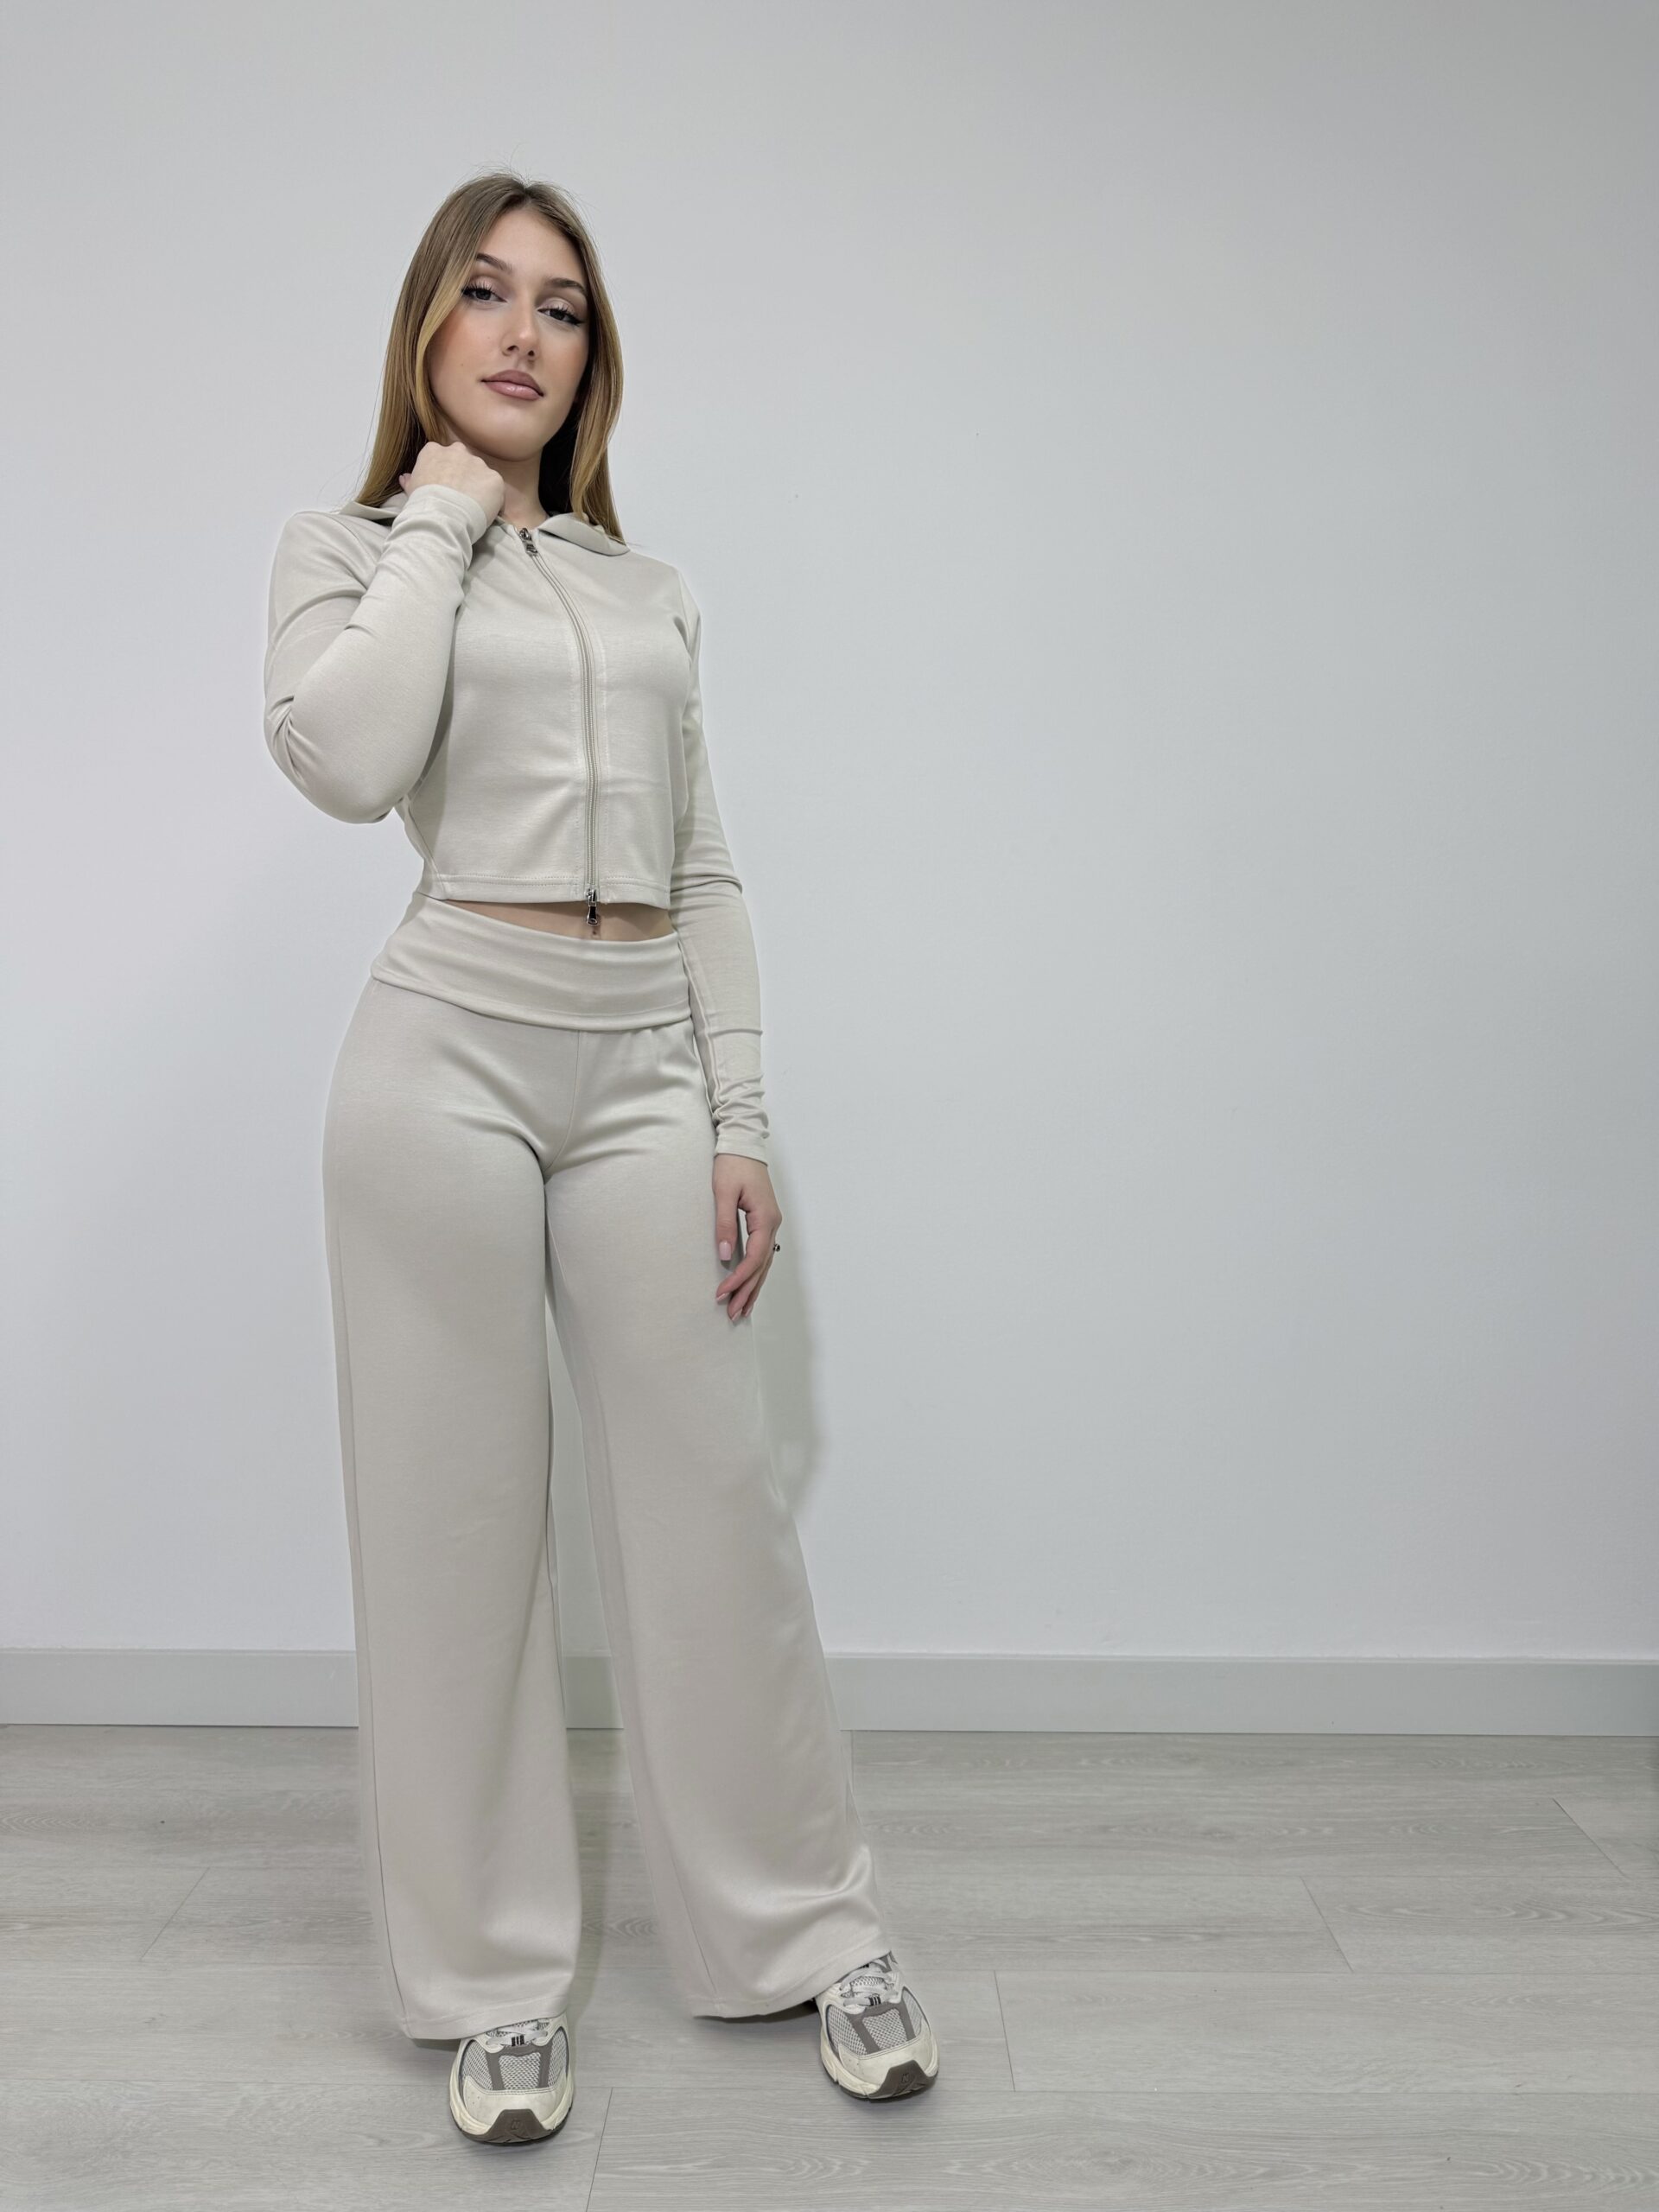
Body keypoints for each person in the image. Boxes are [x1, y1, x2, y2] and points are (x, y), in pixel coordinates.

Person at [261, 174, 938, 2145]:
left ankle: (804, 1929)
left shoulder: (650, 594)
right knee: (455, 1525)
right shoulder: (347, 550)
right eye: (484, 294)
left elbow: (705, 867)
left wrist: (738, 1113)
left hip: (642, 1062)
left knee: (716, 1503)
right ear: (425, 328)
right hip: (443, 1055)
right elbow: (343, 760)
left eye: (560, 307)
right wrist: (444, 520)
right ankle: (488, 1980)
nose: (523, 332)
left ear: (593, 357)